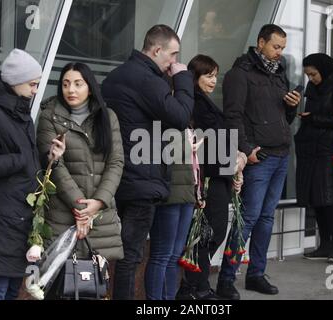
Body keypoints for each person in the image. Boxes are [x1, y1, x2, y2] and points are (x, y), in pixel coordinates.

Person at [101, 24, 194, 300]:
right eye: (173, 55)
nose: (174, 62)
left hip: (119, 175)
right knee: (131, 255)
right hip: (142, 178)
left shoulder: (116, 76)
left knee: (123, 253)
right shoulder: (147, 79)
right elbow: (180, 116)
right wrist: (184, 79)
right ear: (156, 50)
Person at [0, 49, 65, 300]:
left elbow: (25, 165)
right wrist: (21, 159)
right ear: (15, 82)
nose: (34, 90)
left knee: (9, 290)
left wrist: (48, 158)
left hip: (20, 220)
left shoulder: (19, 115)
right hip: (1, 222)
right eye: (32, 84)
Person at [216, 24, 301, 299]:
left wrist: (292, 106)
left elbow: (285, 118)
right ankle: (226, 279)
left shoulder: (279, 74)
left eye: (283, 48)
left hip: (281, 154)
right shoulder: (240, 74)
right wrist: (246, 149)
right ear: (260, 42)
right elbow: (233, 117)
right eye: (276, 47)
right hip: (259, 157)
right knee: (248, 218)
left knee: (265, 218)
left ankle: (256, 274)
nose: (279, 53)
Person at [36, 62, 125, 297]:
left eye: (78, 84)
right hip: (63, 217)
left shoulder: (108, 117)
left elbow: (116, 162)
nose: (71, 90)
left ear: (90, 87)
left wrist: (98, 202)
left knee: (91, 288)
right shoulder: (49, 117)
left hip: (100, 215)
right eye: (65, 84)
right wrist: (81, 209)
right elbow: (55, 166)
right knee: (60, 287)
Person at [175, 54, 246, 300]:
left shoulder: (204, 101)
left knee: (209, 233)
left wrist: (237, 164)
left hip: (218, 176)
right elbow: (207, 147)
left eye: (215, 75)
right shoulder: (195, 103)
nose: (213, 80)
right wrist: (232, 167)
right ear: (194, 77)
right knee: (208, 233)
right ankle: (197, 287)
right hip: (208, 179)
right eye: (208, 75)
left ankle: (193, 285)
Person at [295, 53, 333, 263]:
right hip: (309, 148)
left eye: (313, 74)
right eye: (308, 74)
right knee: (316, 198)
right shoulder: (311, 88)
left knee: (329, 197)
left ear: (323, 70)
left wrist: (314, 118)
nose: (311, 78)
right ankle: (324, 245)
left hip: (327, 149)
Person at [144, 128, 200, 300]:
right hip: (167, 193)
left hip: (187, 192)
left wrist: (198, 193)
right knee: (162, 255)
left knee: (174, 256)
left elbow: (193, 164)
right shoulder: (161, 113)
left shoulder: (185, 120)